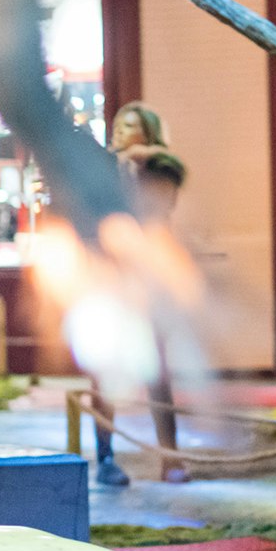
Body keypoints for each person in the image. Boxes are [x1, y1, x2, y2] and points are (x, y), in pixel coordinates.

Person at [92, 102, 188, 488]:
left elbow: (171, 179)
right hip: (110, 280)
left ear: (147, 131)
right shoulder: (102, 166)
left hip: (148, 281)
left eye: (129, 125)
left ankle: (172, 457)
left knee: (157, 373)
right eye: (117, 124)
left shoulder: (160, 167)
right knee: (105, 375)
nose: (119, 130)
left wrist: (140, 159)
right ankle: (105, 460)